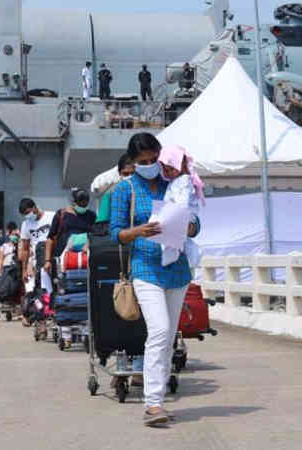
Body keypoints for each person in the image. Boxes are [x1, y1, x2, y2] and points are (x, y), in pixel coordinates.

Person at [110, 132, 200, 426]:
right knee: (159, 330)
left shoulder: (173, 181)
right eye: (143, 161)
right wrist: (139, 231)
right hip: (145, 268)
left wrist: (190, 227)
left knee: (169, 336)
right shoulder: (125, 189)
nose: (149, 165)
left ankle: (157, 399)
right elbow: (116, 233)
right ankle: (152, 404)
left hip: (177, 269)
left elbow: (195, 219)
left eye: (153, 159)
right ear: (133, 161)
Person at [44, 188, 96, 348]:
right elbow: (50, 238)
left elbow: (96, 235)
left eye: (86, 203)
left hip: (84, 261)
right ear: (74, 202)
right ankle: (65, 335)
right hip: (63, 261)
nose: (83, 205)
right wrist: (47, 260)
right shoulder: (62, 215)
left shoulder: (91, 216)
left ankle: (86, 331)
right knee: (65, 293)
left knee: (85, 295)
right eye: (81, 203)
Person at [158, 145, 205, 268]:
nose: (168, 173)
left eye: (171, 169)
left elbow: (183, 200)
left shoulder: (184, 180)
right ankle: (185, 251)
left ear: (181, 165)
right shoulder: (175, 181)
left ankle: (177, 252)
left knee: (171, 235)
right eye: (165, 170)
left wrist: (177, 214)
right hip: (178, 212)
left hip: (183, 212)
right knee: (178, 238)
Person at [18, 198, 56, 295]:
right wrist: (24, 270)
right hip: (39, 261)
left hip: (54, 257)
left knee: (55, 286)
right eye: (25, 214)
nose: (28, 216)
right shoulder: (26, 225)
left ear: (34, 207)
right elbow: (25, 249)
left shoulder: (51, 216)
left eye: (28, 212)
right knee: (43, 291)